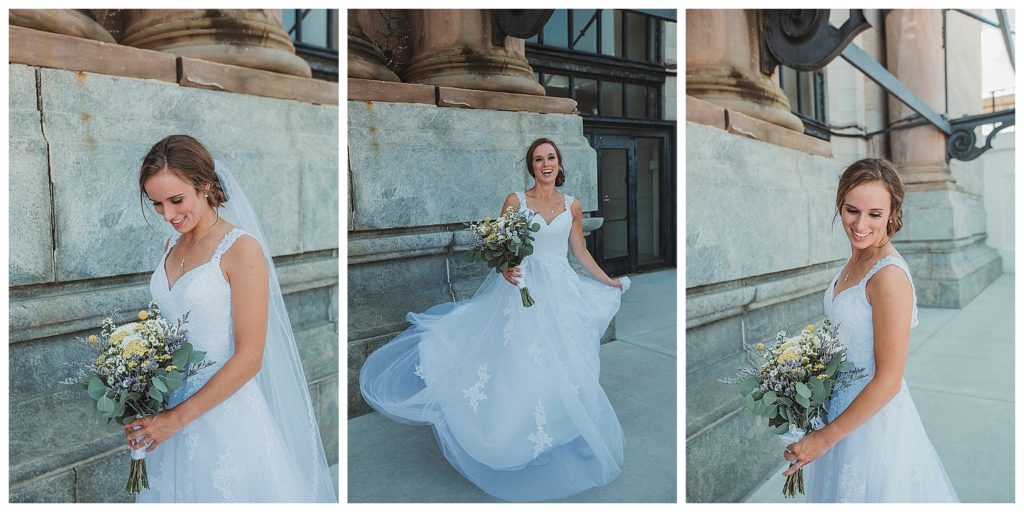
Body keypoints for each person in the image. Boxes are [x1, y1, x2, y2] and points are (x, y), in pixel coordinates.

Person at [360, 138, 629, 502]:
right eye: (538, 159)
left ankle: (572, 428)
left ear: (559, 163)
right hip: (524, 289)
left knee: (572, 358)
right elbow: (500, 248)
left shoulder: (573, 205)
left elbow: (579, 251)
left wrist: (608, 281)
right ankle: (522, 437)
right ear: (531, 166)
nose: (545, 164)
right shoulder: (516, 200)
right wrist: (505, 268)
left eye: (550, 157)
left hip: (561, 291)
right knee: (524, 363)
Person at [125, 135, 336, 502]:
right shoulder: (171, 245)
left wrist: (176, 419)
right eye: (157, 204)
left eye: (176, 200)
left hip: (223, 416)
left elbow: (250, 357)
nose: (168, 215)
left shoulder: (241, 249)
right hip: (167, 410)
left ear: (205, 185)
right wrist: (136, 391)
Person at [784, 158, 958, 502]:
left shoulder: (888, 276)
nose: (860, 225)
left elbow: (889, 380)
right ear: (840, 205)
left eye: (874, 214)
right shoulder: (857, 259)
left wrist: (823, 439)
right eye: (852, 210)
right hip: (837, 411)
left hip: (871, 426)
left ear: (892, 213)